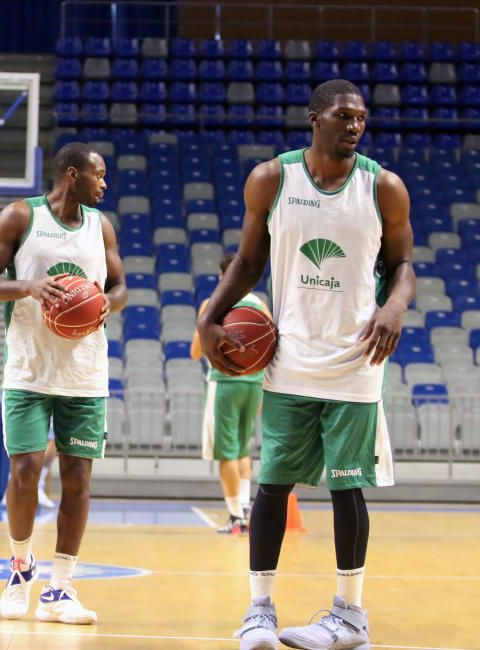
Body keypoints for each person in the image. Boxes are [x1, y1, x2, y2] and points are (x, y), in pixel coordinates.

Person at [197, 79, 414, 650]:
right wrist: (210, 317)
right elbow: (247, 260)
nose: (355, 125)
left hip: (356, 358)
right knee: (271, 484)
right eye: (344, 115)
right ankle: (260, 611)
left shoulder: (384, 187)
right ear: (314, 118)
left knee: (348, 488)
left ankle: (350, 618)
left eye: (362, 117)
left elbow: (404, 266)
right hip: (290, 355)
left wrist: (392, 307)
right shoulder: (273, 179)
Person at [0, 142, 127, 625]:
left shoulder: (101, 226)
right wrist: (28, 287)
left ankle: (61, 588)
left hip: (84, 372)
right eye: (99, 175)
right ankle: (21, 568)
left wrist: (107, 303)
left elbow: (122, 286)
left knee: (78, 481)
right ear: (72, 174)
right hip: (28, 368)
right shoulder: (20, 217)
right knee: (25, 471)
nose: (105, 183)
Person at [190, 254, 269, 536]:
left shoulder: (213, 304)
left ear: (223, 276)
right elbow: (272, 348)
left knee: (226, 453)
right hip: (254, 383)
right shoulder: (260, 305)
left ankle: (236, 517)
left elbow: (196, 352)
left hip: (224, 382)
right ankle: (245, 510)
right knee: (243, 449)